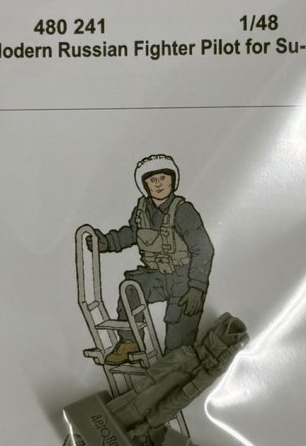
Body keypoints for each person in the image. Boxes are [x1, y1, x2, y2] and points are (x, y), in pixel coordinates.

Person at [89, 153, 214, 362]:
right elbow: (131, 233)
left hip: (185, 278)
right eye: (152, 180)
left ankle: (176, 363)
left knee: (178, 331)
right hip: (157, 275)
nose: (158, 184)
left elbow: (203, 248)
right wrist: (107, 242)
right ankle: (129, 342)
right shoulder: (141, 211)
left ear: (172, 180)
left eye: (163, 178)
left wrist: (197, 287)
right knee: (131, 289)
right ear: (145, 185)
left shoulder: (184, 211)